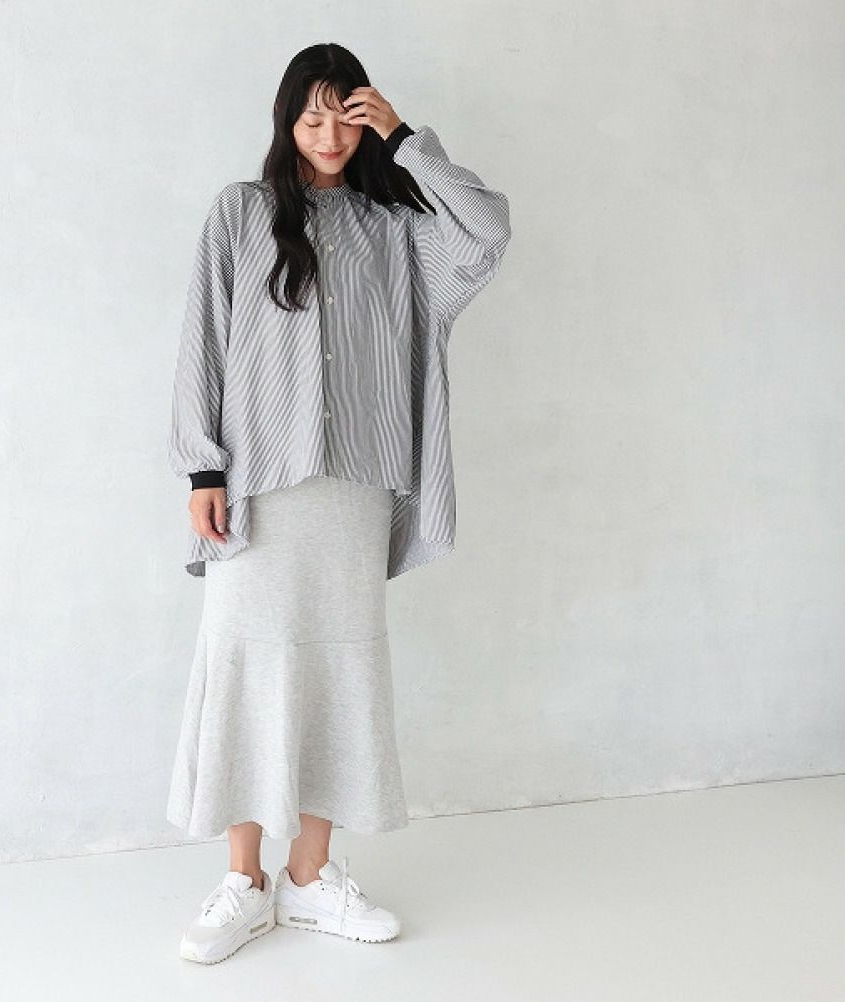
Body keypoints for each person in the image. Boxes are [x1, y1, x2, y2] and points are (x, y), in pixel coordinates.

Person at [167, 43, 512, 965]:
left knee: (339, 669)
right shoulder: (241, 213)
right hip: (259, 485)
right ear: (287, 121)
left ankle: (311, 875)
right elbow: (202, 340)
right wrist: (202, 471)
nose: (327, 136)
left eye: (345, 118)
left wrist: (404, 138)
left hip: (355, 484)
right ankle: (244, 882)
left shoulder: (398, 228)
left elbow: (486, 232)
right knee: (245, 664)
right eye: (311, 117)